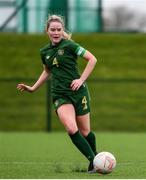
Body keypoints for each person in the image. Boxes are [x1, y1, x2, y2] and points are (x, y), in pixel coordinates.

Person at [17, 15, 97, 173]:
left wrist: (81, 79)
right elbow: (47, 71)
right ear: (47, 31)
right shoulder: (44, 52)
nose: (56, 32)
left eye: (59, 29)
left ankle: (95, 160)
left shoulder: (70, 45)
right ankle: (94, 160)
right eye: (52, 29)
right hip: (60, 95)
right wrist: (33, 88)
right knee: (71, 129)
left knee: (86, 132)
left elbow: (92, 59)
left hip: (78, 93)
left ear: (63, 30)